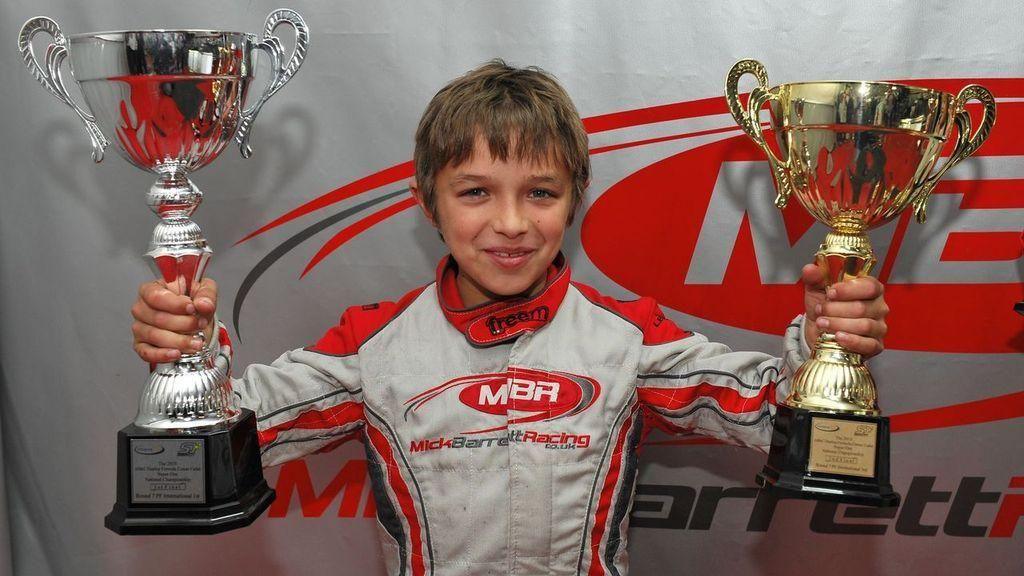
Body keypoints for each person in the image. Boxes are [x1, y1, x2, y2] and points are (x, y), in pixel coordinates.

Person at [130, 60, 888, 576]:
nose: (511, 223)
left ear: (574, 203)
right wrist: (190, 357)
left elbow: (771, 416)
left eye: (540, 192)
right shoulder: (374, 342)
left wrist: (824, 345)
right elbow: (239, 431)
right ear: (429, 204)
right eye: (475, 193)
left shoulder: (627, 336)